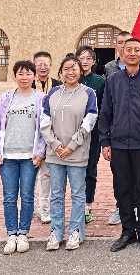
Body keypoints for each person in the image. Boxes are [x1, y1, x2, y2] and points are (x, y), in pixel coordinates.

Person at [100, 38, 140, 252]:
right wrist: (105, 141)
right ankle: (127, 230)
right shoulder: (112, 80)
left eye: (136, 50)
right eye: (128, 50)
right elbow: (106, 112)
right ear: (121, 53)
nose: (132, 53)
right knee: (123, 188)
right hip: (118, 144)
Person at [0, 60, 46, 255]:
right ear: (15, 76)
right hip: (8, 156)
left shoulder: (41, 99)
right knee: (9, 196)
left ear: (34, 76)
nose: (24, 77)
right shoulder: (5, 99)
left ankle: (23, 234)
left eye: (28, 74)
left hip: (30, 156)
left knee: (27, 196)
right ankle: (11, 233)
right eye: (21, 74)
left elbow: (45, 128)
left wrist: (41, 151)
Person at [40, 54, 98, 251]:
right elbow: (44, 121)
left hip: (77, 153)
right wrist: (55, 145)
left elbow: (89, 121)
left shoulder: (88, 93)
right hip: (55, 153)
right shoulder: (53, 93)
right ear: (61, 72)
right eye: (66, 69)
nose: (70, 72)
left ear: (80, 71)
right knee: (56, 194)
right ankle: (56, 232)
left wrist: (72, 145)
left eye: (74, 68)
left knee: (78, 194)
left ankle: (76, 231)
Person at [76, 46, 105, 225]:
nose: (85, 61)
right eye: (81, 58)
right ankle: (76, 203)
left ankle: (88, 204)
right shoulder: (73, 79)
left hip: (93, 131)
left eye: (88, 58)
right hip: (72, 130)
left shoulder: (99, 81)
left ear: (93, 61)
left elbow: (103, 107)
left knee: (90, 168)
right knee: (73, 168)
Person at [32, 51, 62, 225]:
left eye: (46, 64)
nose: (43, 67)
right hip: (32, 136)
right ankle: (29, 205)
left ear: (51, 66)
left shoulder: (58, 86)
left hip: (51, 136)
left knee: (47, 174)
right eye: (39, 64)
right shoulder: (28, 85)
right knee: (30, 174)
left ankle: (43, 206)